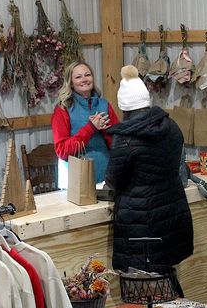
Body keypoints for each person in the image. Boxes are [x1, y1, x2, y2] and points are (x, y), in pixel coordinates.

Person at [105, 65, 194, 286]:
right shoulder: (171, 127)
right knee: (167, 281)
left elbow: (113, 180)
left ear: (124, 107)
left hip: (141, 222)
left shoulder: (125, 138)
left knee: (144, 289)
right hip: (172, 214)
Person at [51, 61, 120, 185]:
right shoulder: (63, 109)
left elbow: (118, 144)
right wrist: (91, 128)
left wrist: (106, 130)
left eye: (87, 75)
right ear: (71, 83)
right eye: (78, 77)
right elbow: (62, 151)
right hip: (76, 180)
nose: (84, 79)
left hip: (106, 176)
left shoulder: (104, 105)